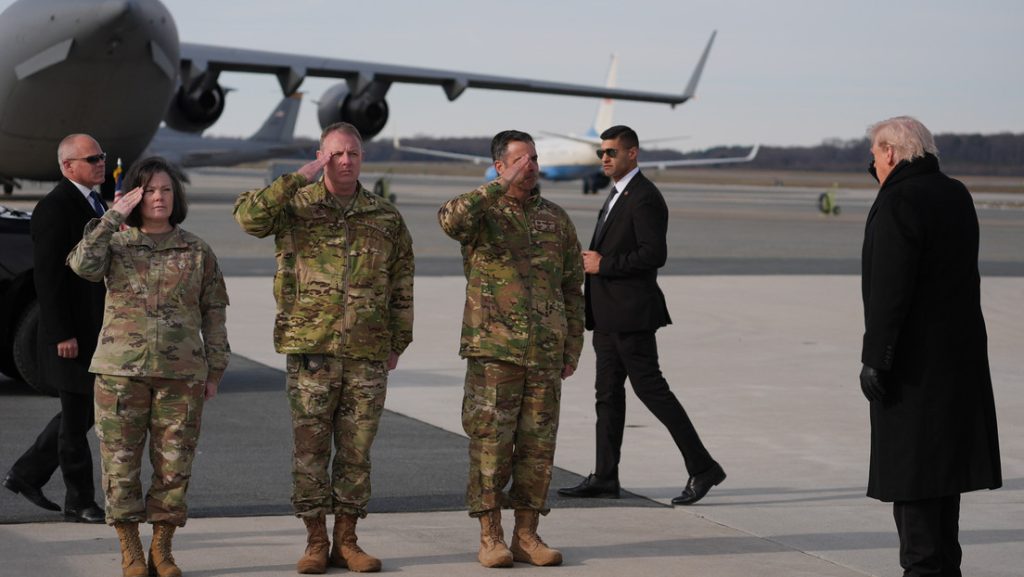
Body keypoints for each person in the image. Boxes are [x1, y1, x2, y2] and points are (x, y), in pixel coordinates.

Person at [234, 122, 413, 575]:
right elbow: (249, 218)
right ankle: (315, 540)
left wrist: (398, 342)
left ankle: (348, 541)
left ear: (362, 158)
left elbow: (402, 284)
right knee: (310, 451)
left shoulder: (385, 216)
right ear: (321, 157)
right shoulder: (295, 206)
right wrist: (298, 176)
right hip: (311, 349)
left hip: (368, 353)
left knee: (356, 452)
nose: (345, 161)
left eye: (352, 153)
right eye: (335, 154)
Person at [67, 156, 229, 577]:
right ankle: (129, 549)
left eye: (166, 190)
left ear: (177, 197)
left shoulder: (197, 250)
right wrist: (110, 218)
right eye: (151, 190)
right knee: (120, 467)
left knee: (174, 467)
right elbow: (81, 266)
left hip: (182, 377)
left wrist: (214, 370)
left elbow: (214, 312)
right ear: (137, 196)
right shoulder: (116, 243)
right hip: (121, 374)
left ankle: (162, 548)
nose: (159, 197)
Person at [860, 116, 1001, 577]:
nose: (872, 165)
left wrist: (875, 359)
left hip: (912, 368)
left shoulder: (898, 199)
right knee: (944, 492)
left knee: (915, 487)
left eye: (874, 157)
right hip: (957, 363)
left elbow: (889, 290)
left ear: (891, 154)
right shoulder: (955, 193)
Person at [558, 125, 726, 506]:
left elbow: (654, 255)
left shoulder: (644, 197)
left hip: (631, 314)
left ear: (632, 154)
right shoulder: (618, 193)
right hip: (606, 315)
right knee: (607, 397)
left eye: (611, 152)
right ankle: (605, 475)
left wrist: (605, 264)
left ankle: (703, 468)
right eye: (602, 152)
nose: (604, 158)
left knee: (652, 391)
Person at [438, 130, 584, 568]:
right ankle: (490, 535)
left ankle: (527, 533)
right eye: (521, 160)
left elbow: (571, 286)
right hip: (494, 353)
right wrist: (496, 188)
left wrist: (571, 344)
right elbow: (449, 219)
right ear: (500, 166)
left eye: (535, 158)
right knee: (491, 447)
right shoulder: (483, 214)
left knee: (538, 450)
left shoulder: (555, 219)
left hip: (544, 354)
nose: (531, 166)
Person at [2, 134, 107, 524]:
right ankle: (79, 500)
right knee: (78, 418)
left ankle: (26, 474)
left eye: (102, 156)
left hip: (91, 331)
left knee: (78, 414)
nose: (101, 162)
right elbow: (46, 280)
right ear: (68, 167)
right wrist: (61, 333)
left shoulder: (93, 200)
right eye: (92, 158)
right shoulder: (54, 208)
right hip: (70, 334)